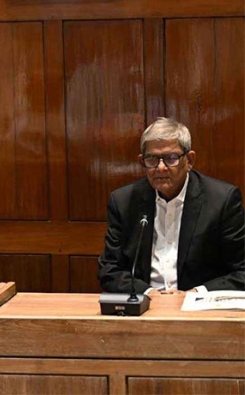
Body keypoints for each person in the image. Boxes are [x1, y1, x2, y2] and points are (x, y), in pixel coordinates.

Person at [99, 117, 244, 295]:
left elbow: (241, 271)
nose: (160, 168)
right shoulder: (124, 202)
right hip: (145, 303)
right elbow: (109, 270)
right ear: (141, 161)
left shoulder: (221, 200)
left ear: (189, 160)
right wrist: (149, 293)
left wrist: (195, 294)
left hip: (198, 305)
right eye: (151, 159)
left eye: (171, 158)